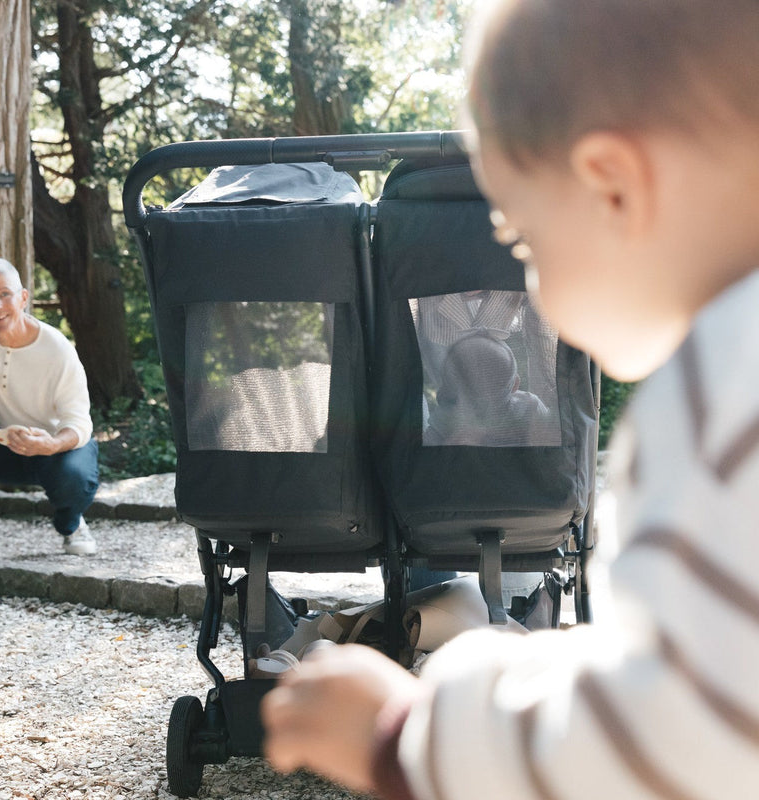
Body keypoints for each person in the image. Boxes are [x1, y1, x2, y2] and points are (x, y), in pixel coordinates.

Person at [261, 1, 759, 798]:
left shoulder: (723, 386)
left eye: (523, 241)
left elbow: (670, 739)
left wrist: (405, 738)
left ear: (614, 189)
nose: (530, 285)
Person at [0, 258, 98, 557]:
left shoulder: (57, 348)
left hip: (56, 449)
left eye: (4, 294)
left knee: (75, 475)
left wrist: (50, 445)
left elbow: (79, 423)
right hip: (2, 444)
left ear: (23, 297)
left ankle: (71, 523)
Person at [423, 333, 550, 447]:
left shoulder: (447, 417)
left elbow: (428, 452)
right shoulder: (529, 405)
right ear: (515, 385)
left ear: (449, 388)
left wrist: (451, 443)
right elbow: (554, 438)